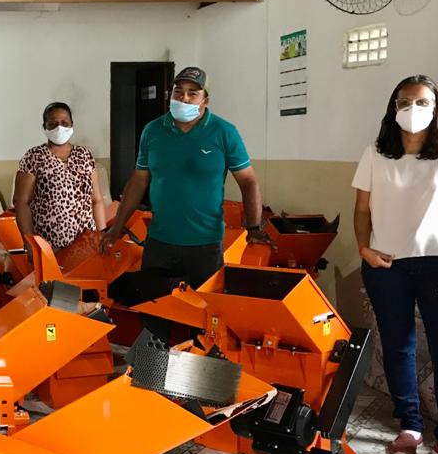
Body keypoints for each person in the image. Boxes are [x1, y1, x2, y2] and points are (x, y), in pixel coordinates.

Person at [352, 74, 438, 454]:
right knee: (398, 347)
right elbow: (361, 209)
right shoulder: (376, 153)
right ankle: (410, 427)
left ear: (436, 108)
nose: (413, 109)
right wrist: (364, 248)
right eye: (404, 102)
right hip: (387, 266)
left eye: (423, 102)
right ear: (393, 108)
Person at [101, 66, 267, 289]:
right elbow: (138, 180)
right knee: (154, 305)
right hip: (159, 243)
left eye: (192, 93)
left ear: (205, 100)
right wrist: (117, 226)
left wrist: (254, 228)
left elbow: (248, 181)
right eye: (178, 91)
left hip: (205, 246)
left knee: (202, 307)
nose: (184, 98)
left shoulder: (224, 132)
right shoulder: (152, 131)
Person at [14, 101, 106, 251]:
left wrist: (102, 235)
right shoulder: (34, 156)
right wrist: (31, 243)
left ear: (71, 125)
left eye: (64, 123)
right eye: (53, 124)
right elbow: (21, 202)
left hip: (86, 242)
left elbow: (97, 200)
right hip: (48, 244)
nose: (59, 128)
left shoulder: (84, 155)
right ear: (44, 126)